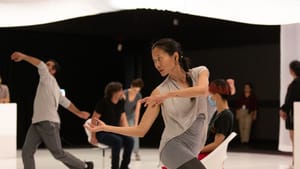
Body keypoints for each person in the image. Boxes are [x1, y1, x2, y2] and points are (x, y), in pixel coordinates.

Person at [85, 38, 209, 169]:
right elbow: (141, 130)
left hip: (193, 148)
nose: (156, 65)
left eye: (159, 59)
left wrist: (168, 95)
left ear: (175, 56)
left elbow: (203, 90)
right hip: (172, 147)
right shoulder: (159, 92)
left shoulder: (200, 72)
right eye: (154, 61)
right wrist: (106, 128)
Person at [10, 51, 94, 169]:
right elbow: (66, 102)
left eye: (48, 65)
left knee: (58, 153)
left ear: (53, 71)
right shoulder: (52, 84)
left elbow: (65, 102)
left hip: (49, 123)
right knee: (26, 152)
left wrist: (23, 56)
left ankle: (84, 166)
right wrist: (79, 113)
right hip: (36, 123)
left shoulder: (47, 78)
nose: (45, 65)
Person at [90, 81, 134, 169]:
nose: (123, 92)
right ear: (114, 92)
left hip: (113, 130)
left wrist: (127, 131)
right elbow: (94, 120)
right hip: (102, 132)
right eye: (121, 90)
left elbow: (122, 118)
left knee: (130, 140)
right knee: (117, 141)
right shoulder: (103, 102)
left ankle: (124, 166)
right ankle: (115, 167)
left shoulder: (121, 102)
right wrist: (93, 136)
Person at [198, 79, 234, 159]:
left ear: (217, 95)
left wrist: (198, 150)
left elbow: (216, 144)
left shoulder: (225, 115)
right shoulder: (218, 112)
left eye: (211, 94)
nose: (209, 96)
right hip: (205, 153)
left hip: (209, 156)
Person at [280, 60, 300, 168]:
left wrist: (284, 110)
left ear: (292, 70)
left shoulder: (295, 83)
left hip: (296, 115)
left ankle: (296, 161)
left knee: (296, 140)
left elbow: (290, 99)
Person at [123, 78, 144, 161]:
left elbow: (137, 110)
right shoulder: (124, 93)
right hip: (122, 115)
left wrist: (136, 123)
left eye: (137, 90)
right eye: (134, 89)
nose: (136, 91)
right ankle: (115, 151)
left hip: (131, 116)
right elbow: (121, 109)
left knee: (135, 133)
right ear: (131, 86)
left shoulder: (139, 95)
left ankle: (136, 152)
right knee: (119, 133)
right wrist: (124, 122)